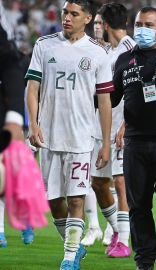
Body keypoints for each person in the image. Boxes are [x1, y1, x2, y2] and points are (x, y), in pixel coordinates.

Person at [25, 0, 114, 269]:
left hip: (81, 137)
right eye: (65, 12)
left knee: (76, 197)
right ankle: (73, 247)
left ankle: (68, 257)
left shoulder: (98, 53)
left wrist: (105, 142)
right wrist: (34, 124)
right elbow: (32, 88)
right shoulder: (45, 45)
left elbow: (105, 100)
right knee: (54, 201)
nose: (67, 17)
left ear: (87, 18)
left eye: (74, 14)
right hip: (49, 136)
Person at [110, 7, 156, 270]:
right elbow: (112, 99)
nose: (142, 29)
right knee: (138, 207)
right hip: (135, 143)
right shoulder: (122, 60)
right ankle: (145, 262)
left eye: (149, 24)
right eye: (139, 24)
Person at [86, 2, 135, 257]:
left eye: (98, 23)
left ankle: (125, 241)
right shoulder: (108, 51)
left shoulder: (131, 50)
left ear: (105, 24)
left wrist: (127, 125)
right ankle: (117, 228)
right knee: (98, 183)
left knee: (120, 181)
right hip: (101, 129)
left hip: (121, 129)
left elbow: (136, 91)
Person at [0, 0, 35, 247]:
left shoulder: (24, 62)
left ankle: (22, 217)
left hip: (12, 118)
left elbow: (10, 62)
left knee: (10, 171)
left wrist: (14, 119)